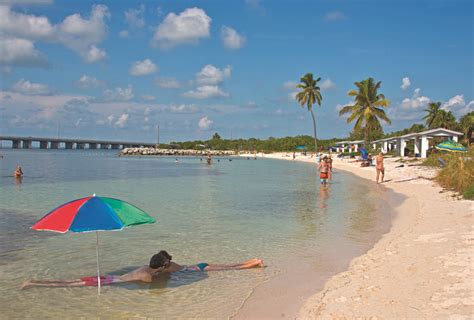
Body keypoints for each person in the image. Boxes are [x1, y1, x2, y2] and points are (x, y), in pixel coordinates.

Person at [21, 251, 264, 289]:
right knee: (74, 283)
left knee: (76, 282)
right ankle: (35, 283)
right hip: (109, 281)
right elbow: (145, 283)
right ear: (164, 265)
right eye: (168, 262)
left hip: (112, 280)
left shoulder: (152, 272)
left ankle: (248, 263)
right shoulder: (148, 275)